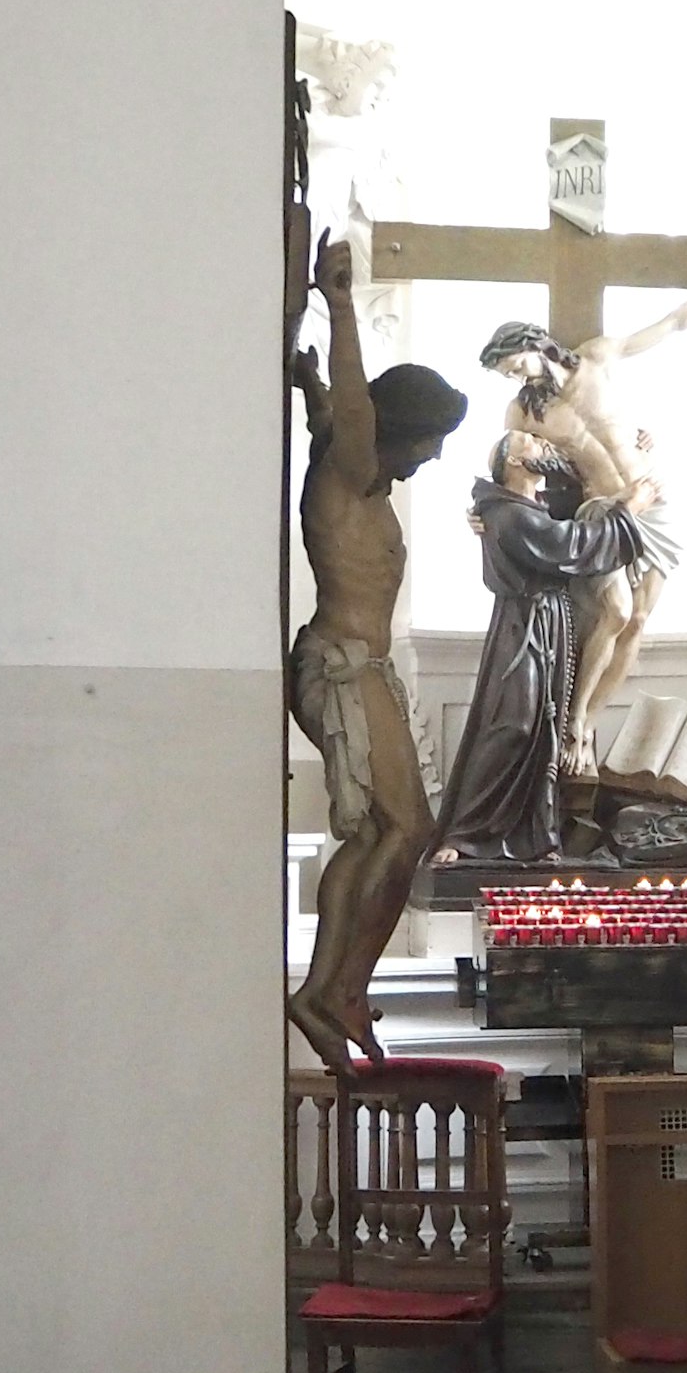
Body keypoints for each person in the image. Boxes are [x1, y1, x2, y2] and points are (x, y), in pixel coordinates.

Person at [285, 233, 468, 1077]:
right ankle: (333, 990)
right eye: (431, 440)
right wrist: (343, 299)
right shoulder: (354, 465)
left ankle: (336, 989)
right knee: (404, 829)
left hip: (365, 667)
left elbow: (337, 411)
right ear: (401, 430)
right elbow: (355, 415)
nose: (434, 458)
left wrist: (312, 382)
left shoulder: (356, 468)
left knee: (389, 836)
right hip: (344, 665)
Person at [478, 245, 687, 770]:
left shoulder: (598, 359)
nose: (513, 378)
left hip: (655, 500)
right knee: (614, 612)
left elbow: (675, 323)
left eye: (513, 365)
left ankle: (590, 723)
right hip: (602, 511)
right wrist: (481, 517)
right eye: (505, 375)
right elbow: (505, 473)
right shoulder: (521, 413)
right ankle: (574, 718)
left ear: (532, 345)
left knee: (640, 621)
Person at [434, 430, 650, 862]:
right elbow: (568, 545)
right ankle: (465, 835)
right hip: (523, 628)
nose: (540, 443)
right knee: (511, 724)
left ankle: (536, 835)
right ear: (512, 462)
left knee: (541, 729)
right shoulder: (512, 515)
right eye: (528, 441)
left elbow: (571, 517)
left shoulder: (526, 507)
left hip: (548, 623)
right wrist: (628, 511)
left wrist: (638, 451)